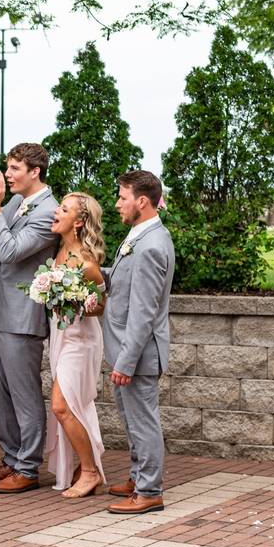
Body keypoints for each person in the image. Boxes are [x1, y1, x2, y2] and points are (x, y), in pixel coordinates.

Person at [0, 143, 59, 494]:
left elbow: (7, 250)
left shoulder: (47, 212)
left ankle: (28, 466)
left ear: (35, 171)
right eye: (8, 167)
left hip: (23, 315)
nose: (7, 175)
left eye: (14, 169)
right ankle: (11, 456)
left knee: (24, 394)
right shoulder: (17, 202)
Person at [103, 170, 174, 515]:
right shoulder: (139, 234)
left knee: (143, 422)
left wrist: (126, 362)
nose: (117, 203)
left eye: (122, 197)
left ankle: (149, 491)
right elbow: (123, 283)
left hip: (138, 354)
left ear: (142, 202)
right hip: (126, 349)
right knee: (133, 420)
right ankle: (136, 477)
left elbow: (144, 312)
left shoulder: (151, 246)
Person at [43, 192, 107, 498]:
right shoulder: (59, 251)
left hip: (81, 340)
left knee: (61, 405)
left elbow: (101, 306)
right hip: (61, 335)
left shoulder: (85, 261)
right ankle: (84, 467)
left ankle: (91, 472)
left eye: (64, 209)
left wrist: (77, 300)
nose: (56, 212)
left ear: (78, 222)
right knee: (72, 405)